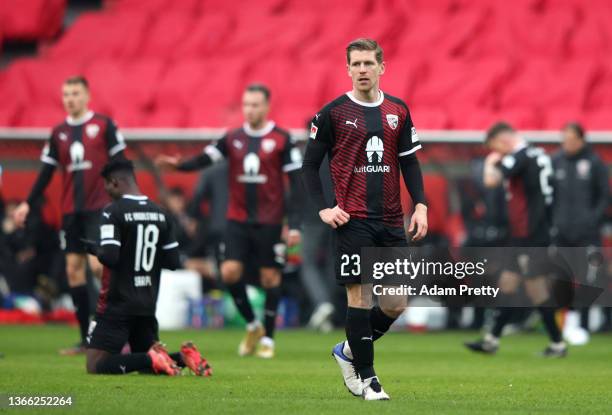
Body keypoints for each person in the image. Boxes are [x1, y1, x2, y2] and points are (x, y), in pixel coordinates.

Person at [301, 38, 428, 400]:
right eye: (355, 64)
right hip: (352, 220)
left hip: (390, 220)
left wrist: (420, 204)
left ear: (381, 68)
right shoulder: (332, 113)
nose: (361, 70)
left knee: (395, 303)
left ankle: (348, 351)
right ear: (347, 69)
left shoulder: (398, 111)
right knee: (359, 297)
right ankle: (369, 380)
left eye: (368, 64)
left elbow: (410, 162)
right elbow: (309, 166)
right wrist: (324, 208)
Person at [155, 84, 303, 358]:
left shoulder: (283, 140)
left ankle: (268, 338)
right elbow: (205, 159)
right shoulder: (232, 138)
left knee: (270, 277)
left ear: (267, 106)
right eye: (246, 104)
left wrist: (293, 224)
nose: (250, 109)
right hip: (237, 220)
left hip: (269, 221)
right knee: (229, 273)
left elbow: (297, 183)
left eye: (256, 104)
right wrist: (180, 166)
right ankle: (253, 324)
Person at [13, 76, 127, 355]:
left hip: (99, 209)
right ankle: (85, 339)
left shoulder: (103, 125)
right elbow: (46, 172)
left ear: (87, 95)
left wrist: (126, 198)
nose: (70, 98)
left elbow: (122, 163)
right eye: (66, 94)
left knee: (100, 267)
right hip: (71, 212)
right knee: (74, 271)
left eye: (75, 93)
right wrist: (27, 202)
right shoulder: (59, 132)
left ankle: (115, 333)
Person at [84, 159, 211, 376]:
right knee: (148, 368)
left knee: (96, 365)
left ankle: (153, 357)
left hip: (118, 304)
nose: (106, 190)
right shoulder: (161, 213)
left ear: (114, 182)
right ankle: (181, 358)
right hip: (147, 303)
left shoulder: (112, 212)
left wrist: (92, 248)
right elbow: (173, 262)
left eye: (106, 185)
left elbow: (110, 257)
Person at [465, 122, 568, 357]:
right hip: (528, 233)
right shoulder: (538, 153)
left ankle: (557, 344)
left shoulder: (519, 156)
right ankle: (491, 340)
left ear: (503, 141)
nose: (498, 153)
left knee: (536, 290)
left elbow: (491, 181)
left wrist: (491, 162)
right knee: (508, 283)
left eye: (496, 147)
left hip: (530, 235)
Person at [552, 122, 609, 331]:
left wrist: (591, 219)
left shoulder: (595, 163)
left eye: (571, 139)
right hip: (561, 231)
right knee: (562, 277)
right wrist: (554, 221)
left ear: (581, 140)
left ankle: (584, 325)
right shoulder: (555, 161)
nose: (567, 143)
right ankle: (566, 324)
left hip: (587, 233)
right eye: (564, 139)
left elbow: (604, 196)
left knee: (587, 278)